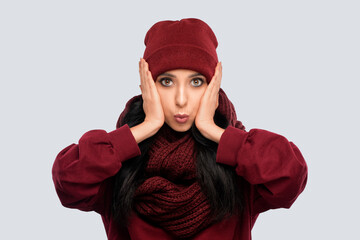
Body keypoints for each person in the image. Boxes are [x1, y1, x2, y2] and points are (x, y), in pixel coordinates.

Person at [52, 18, 308, 240]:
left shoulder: (240, 162)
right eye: (166, 82)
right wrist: (144, 128)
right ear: (146, 86)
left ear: (213, 88)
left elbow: (291, 176)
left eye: (196, 82)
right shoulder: (118, 163)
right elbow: (68, 179)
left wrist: (215, 132)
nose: (181, 99)